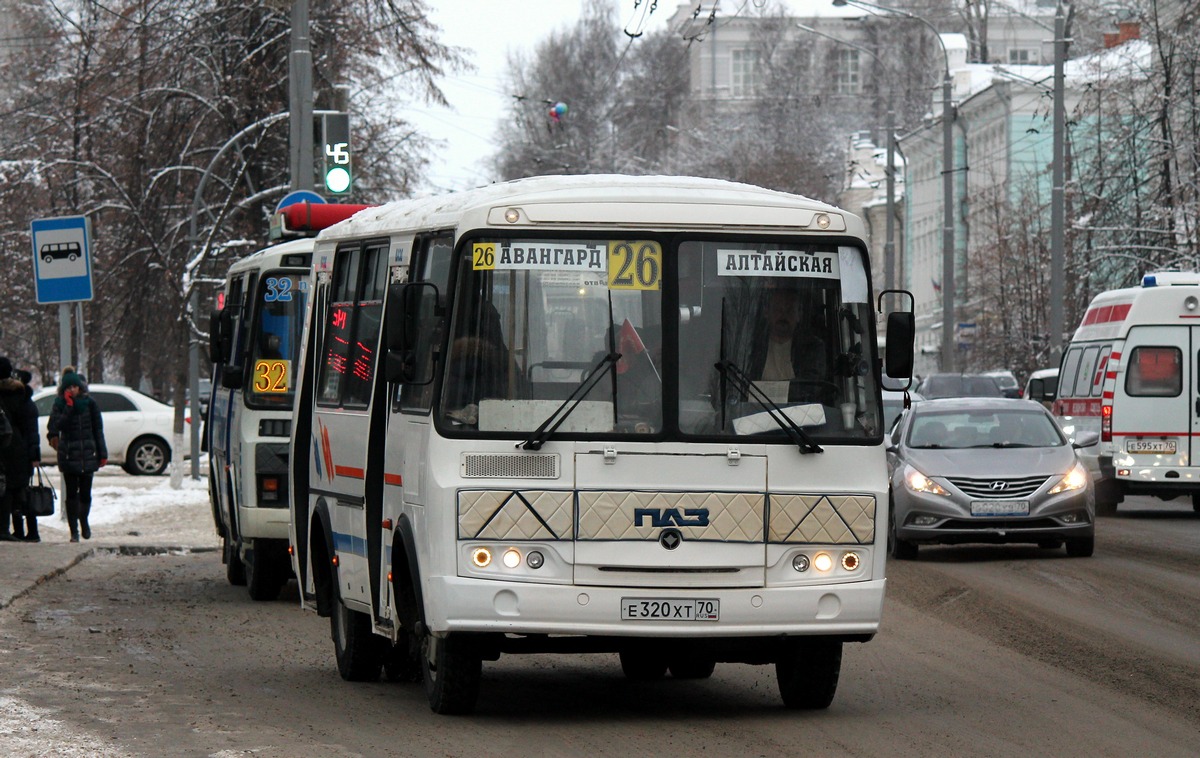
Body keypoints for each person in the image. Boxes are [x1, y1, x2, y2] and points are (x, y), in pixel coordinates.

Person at [47, 368, 107, 542]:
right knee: (71, 495)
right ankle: (74, 531)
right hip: (69, 456)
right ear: (63, 390)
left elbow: (98, 429)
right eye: (68, 387)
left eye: (74, 386)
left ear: (80, 387)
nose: (72, 390)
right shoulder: (59, 404)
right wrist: (69, 408)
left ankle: (84, 520)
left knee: (86, 494)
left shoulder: (90, 404)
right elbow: (56, 427)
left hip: (88, 454)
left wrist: (102, 453)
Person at [746, 288, 829, 402]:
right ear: (766, 312)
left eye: (789, 310)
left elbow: (811, 388)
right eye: (777, 309)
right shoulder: (750, 347)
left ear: (799, 315)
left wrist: (763, 391)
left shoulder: (812, 347)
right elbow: (742, 387)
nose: (783, 315)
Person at [0, 357, 41, 542]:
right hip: (20, 450)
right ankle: (29, 532)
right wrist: (34, 454)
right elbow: (31, 429)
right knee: (21, 490)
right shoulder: (22, 395)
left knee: (7, 490)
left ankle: (7, 530)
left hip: (5, 450)